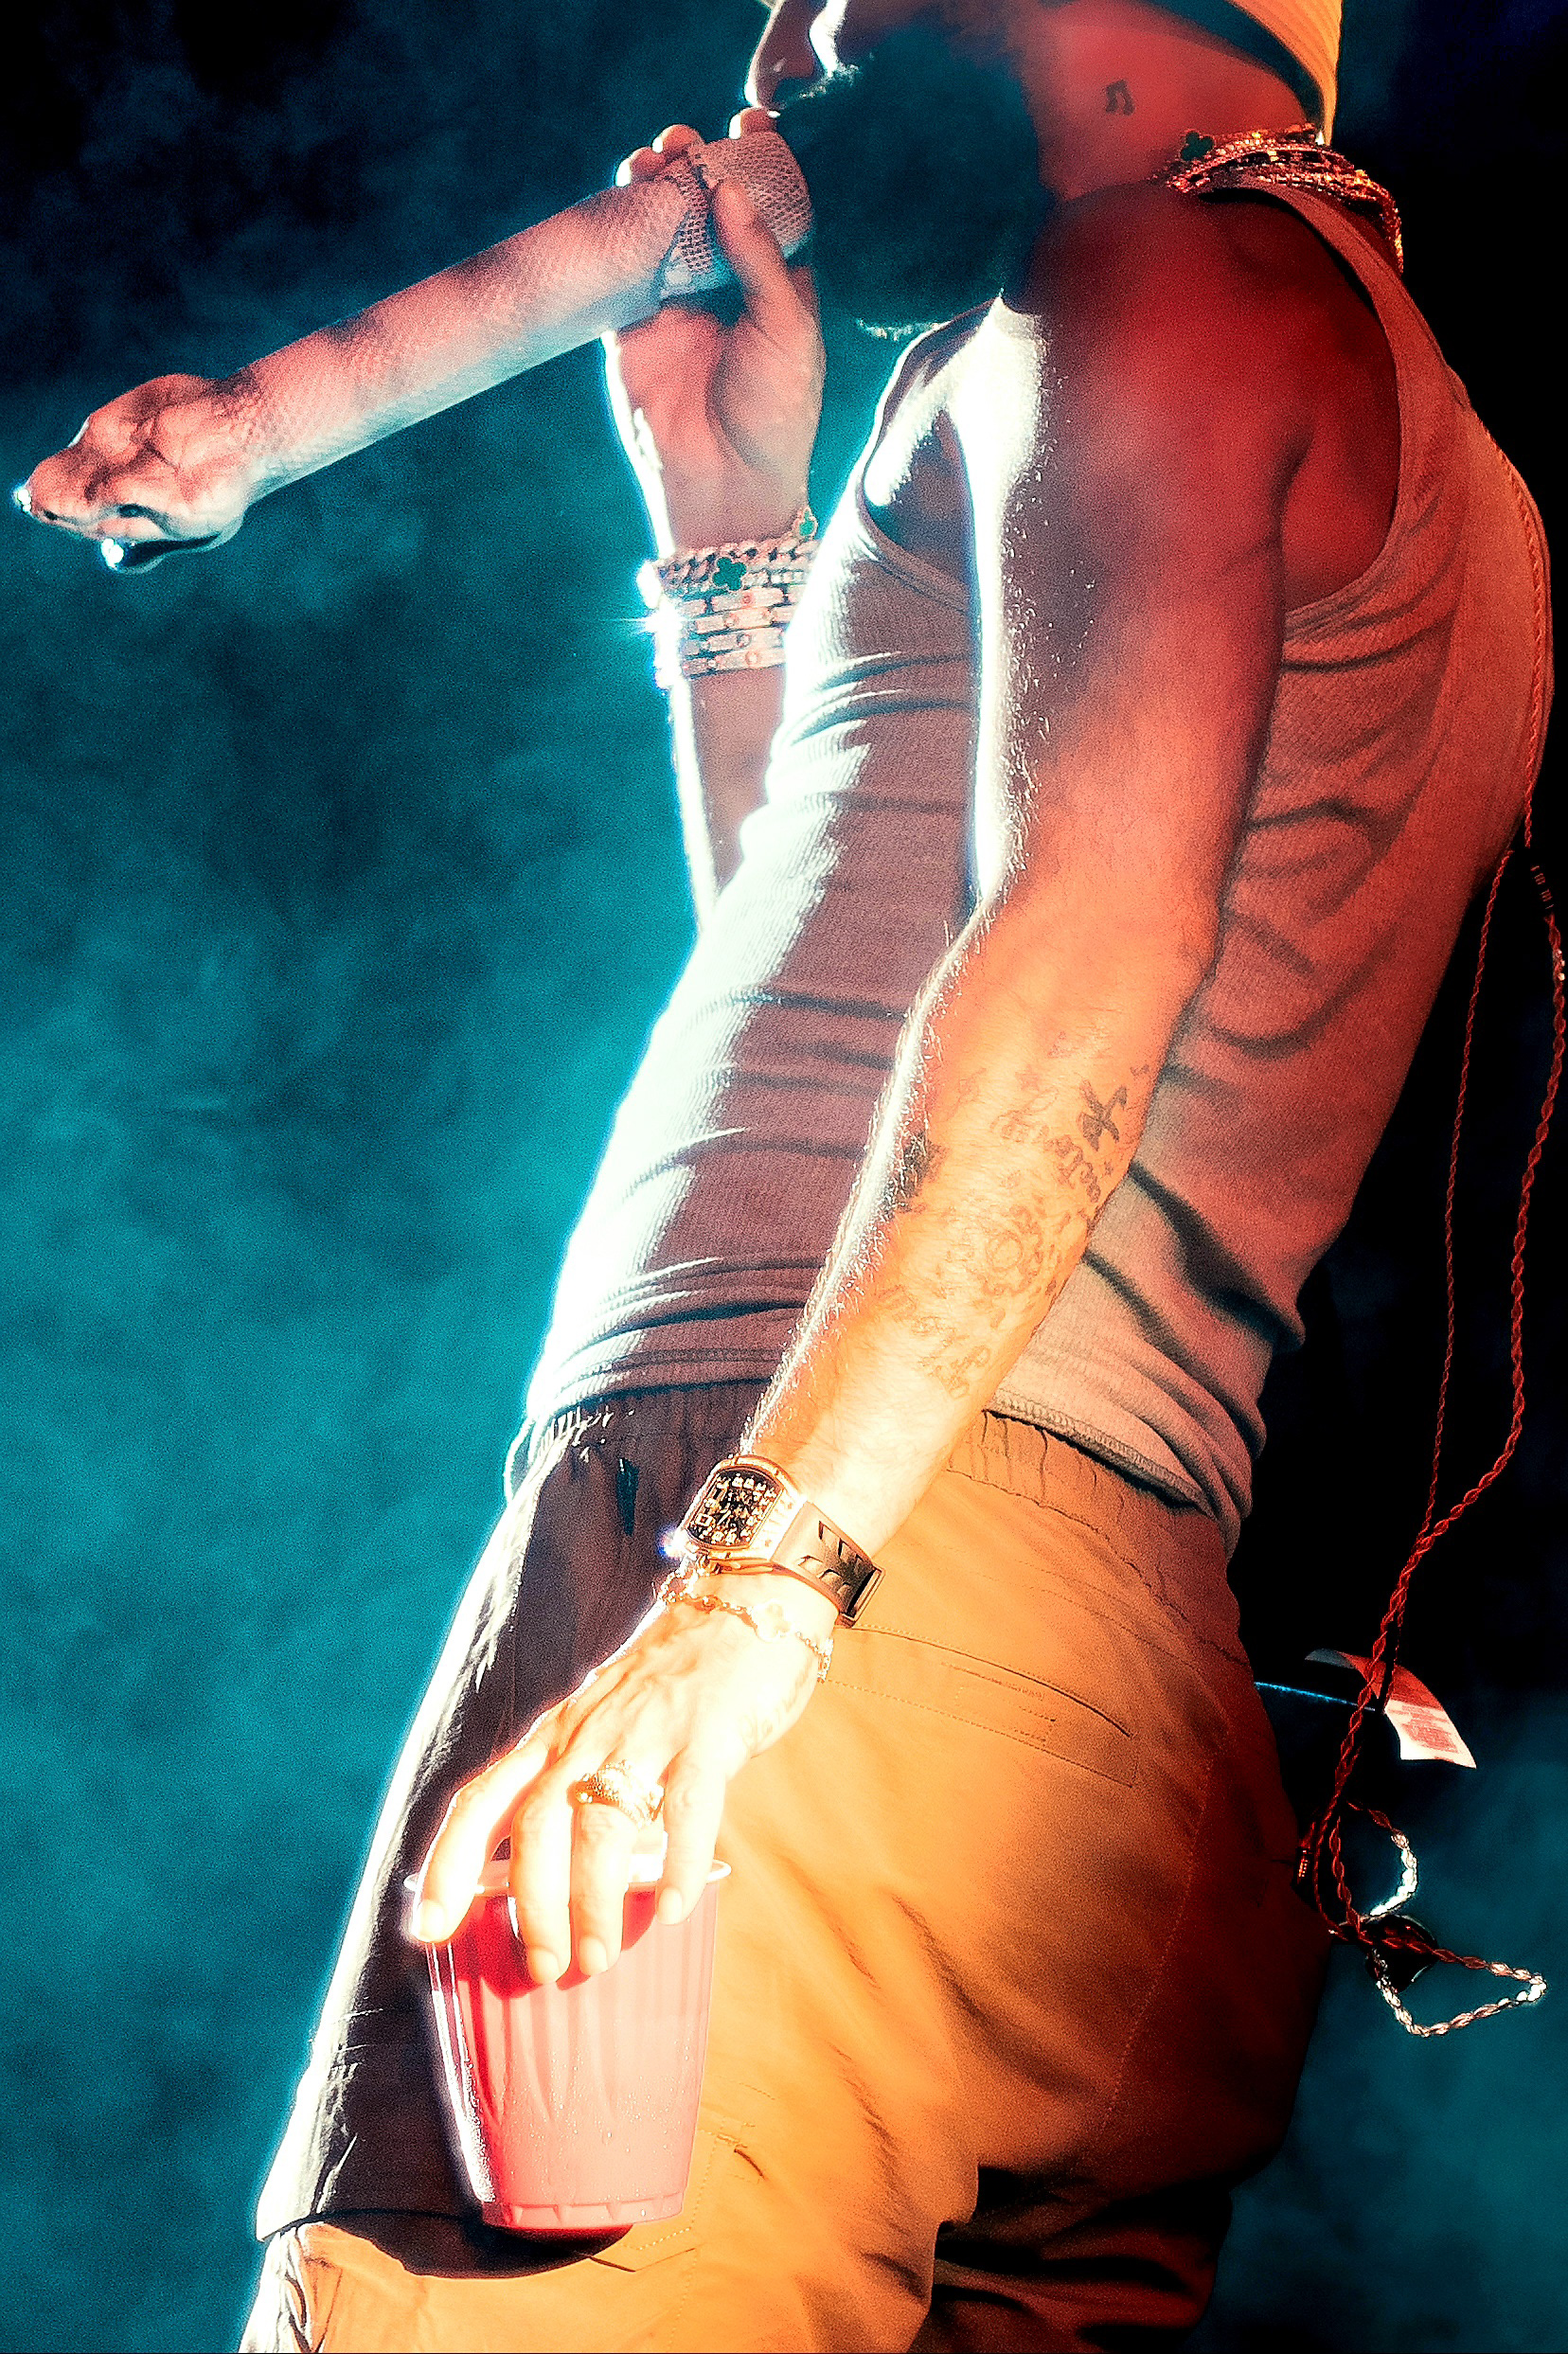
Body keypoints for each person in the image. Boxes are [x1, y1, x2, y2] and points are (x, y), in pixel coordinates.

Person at [21, 0, 1551, 2345]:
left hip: (819, 1578)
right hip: (1096, 1755)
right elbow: (869, 1016)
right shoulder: (1407, 428)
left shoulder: (1161, 282)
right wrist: (731, 529)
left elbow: (1083, 964)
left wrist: (744, 1598)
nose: (793, 31)